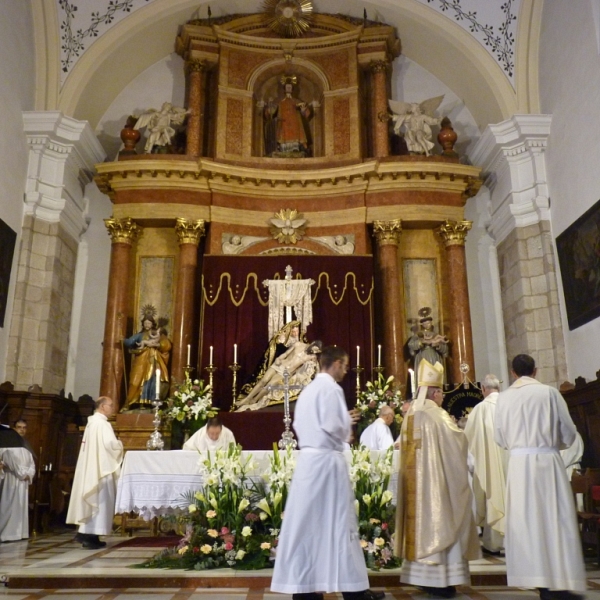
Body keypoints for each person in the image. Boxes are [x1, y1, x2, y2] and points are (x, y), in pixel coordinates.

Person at [271, 346, 383, 600]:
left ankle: (306, 590)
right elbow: (335, 426)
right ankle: (354, 590)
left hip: (308, 465)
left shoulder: (308, 390)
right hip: (327, 465)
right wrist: (348, 423)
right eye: (344, 365)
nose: (345, 370)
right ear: (334, 364)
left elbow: (301, 424)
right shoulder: (331, 388)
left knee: (306, 526)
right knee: (338, 525)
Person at [494, 354, 586, 600]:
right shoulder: (549, 393)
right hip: (548, 463)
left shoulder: (503, 399)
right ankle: (560, 579)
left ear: (513, 373)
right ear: (535, 371)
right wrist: (552, 444)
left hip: (519, 466)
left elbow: (500, 438)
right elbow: (568, 432)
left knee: (527, 523)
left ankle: (537, 580)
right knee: (555, 520)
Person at [395, 359, 480, 599]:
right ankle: (443, 580)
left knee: (419, 525)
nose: (442, 396)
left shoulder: (410, 415)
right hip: (437, 487)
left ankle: (423, 579)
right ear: (435, 392)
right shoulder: (439, 416)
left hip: (416, 488)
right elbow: (458, 443)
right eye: (440, 392)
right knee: (443, 521)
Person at [66, 396, 124, 550]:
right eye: (110, 405)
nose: (112, 408)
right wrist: (120, 444)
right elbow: (110, 445)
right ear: (103, 407)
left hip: (94, 468)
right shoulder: (102, 424)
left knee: (95, 501)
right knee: (101, 501)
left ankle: (89, 535)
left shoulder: (92, 424)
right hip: (101, 471)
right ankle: (90, 536)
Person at [463, 374, 508, 555]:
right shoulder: (509, 405)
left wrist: (472, 465)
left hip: (490, 465)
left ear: (483, 389)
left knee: (494, 494)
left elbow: (467, 442)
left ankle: (495, 543)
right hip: (512, 462)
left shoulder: (480, 410)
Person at [236, 340, 322, 411]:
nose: (314, 352)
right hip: (279, 364)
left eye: (316, 351)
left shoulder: (312, 357)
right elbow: (286, 354)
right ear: (312, 343)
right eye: (314, 349)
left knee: (270, 385)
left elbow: (316, 369)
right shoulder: (298, 344)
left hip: (286, 372)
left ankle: (254, 400)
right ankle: (247, 398)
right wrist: (279, 358)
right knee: (264, 380)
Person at [123, 311, 172, 410]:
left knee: (154, 380)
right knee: (135, 380)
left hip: (154, 361)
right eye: (145, 323)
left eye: (149, 323)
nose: (147, 325)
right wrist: (123, 340)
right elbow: (130, 342)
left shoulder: (157, 334)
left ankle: (153, 402)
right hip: (141, 361)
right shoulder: (140, 335)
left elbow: (167, 344)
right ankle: (135, 401)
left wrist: (156, 345)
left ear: (152, 324)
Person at [0, 425, 35, 541]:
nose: (22, 430)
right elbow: (12, 465)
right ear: (13, 429)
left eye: (25, 427)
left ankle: (20, 532)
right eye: (19, 427)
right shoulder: (6, 447)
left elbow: (32, 465)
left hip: (22, 482)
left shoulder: (26, 448)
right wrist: (23, 474)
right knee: (8, 505)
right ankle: (6, 533)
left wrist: (28, 474)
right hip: (10, 480)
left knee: (20, 507)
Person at [264, 75, 313, 157]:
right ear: (284, 89)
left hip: (295, 124)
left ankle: (296, 148)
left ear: (292, 89)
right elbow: (271, 112)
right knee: (283, 135)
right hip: (283, 123)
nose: (289, 88)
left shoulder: (297, 101)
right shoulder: (280, 102)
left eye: (290, 87)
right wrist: (269, 110)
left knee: (295, 135)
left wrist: (303, 110)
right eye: (287, 87)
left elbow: (306, 113)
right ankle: (283, 149)